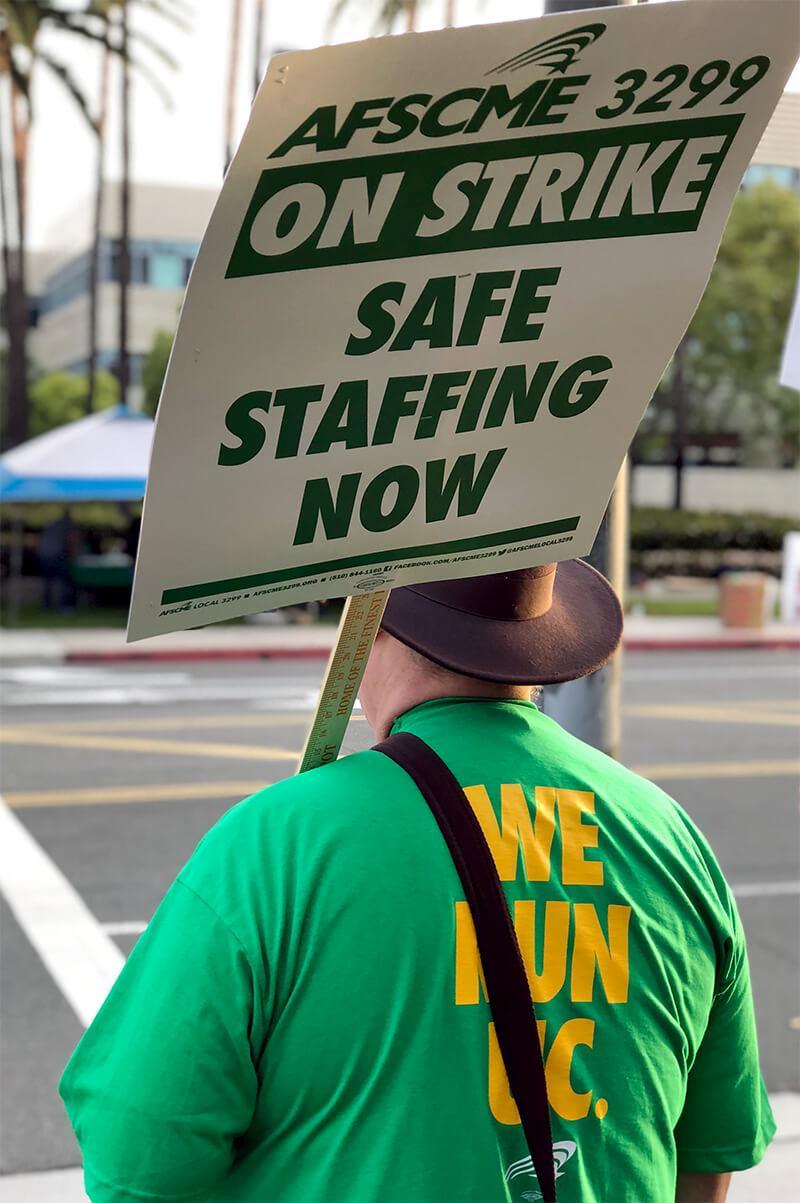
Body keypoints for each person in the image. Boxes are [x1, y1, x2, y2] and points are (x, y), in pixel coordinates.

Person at [59, 562, 773, 1203]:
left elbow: (137, 1161)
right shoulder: (669, 835)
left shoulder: (275, 841)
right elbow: (707, 1159)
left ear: (366, 623)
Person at [37, 509, 78, 612]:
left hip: (43, 554)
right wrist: (73, 556)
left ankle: (46, 606)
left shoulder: (53, 524)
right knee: (65, 581)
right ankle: (65, 606)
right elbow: (72, 540)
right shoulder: (68, 524)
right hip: (55, 554)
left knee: (48, 582)